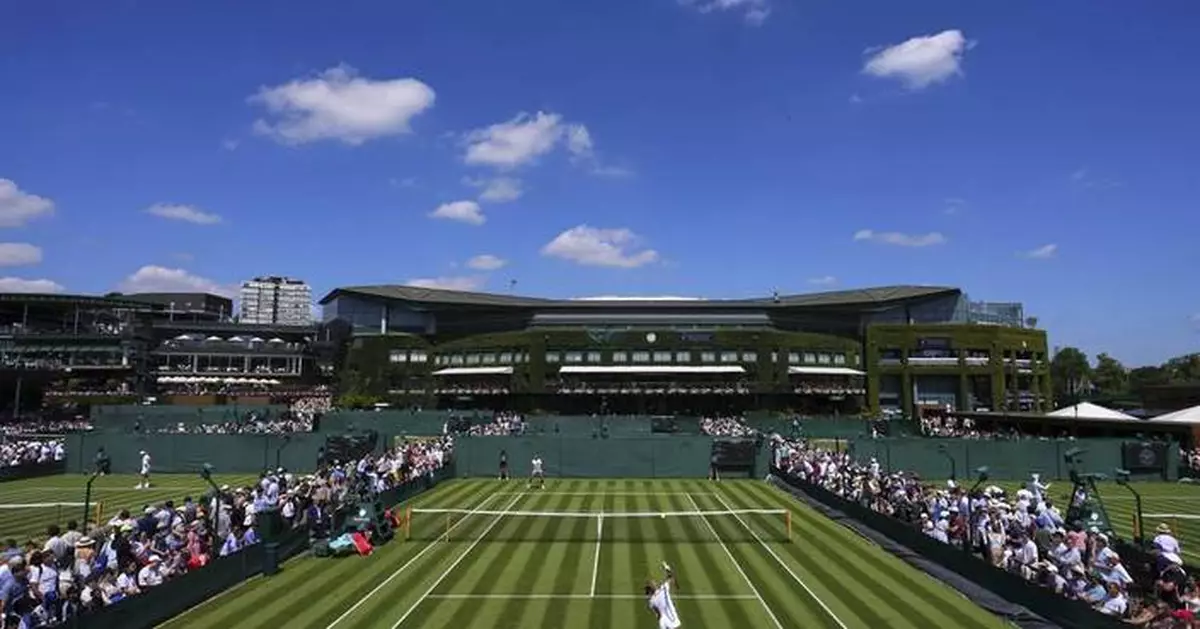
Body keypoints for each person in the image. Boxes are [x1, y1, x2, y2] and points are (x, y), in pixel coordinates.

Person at [646, 561, 681, 629]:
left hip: (663, 623)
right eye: (653, 583)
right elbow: (672, 577)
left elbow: (658, 614)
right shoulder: (663, 589)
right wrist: (667, 568)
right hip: (672, 620)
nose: (655, 582)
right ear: (653, 587)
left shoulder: (651, 601)